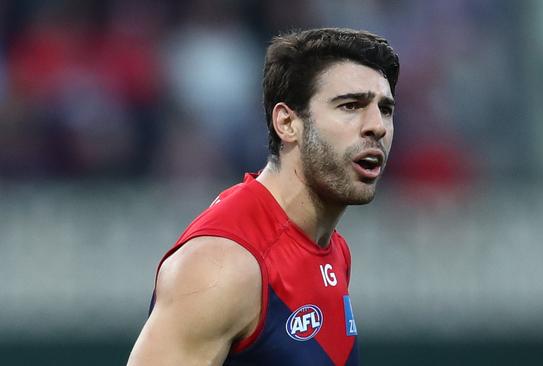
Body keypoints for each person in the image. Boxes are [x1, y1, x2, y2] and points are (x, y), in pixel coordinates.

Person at [127, 27, 399, 366]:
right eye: (350, 106)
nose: (378, 126)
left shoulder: (333, 249)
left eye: (385, 109)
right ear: (287, 123)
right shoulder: (223, 265)